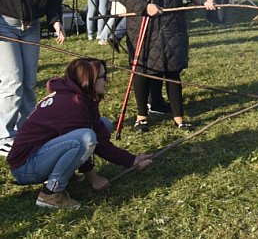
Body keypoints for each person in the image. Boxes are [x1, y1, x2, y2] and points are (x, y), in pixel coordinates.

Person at [7, 58, 152, 209]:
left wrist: (131, 160)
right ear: (88, 80)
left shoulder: (79, 96)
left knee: (103, 125)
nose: (107, 80)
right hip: (26, 167)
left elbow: (100, 141)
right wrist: (93, 178)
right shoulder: (73, 104)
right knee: (84, 138)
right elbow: (85, 143)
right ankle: (50, 194)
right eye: (103, 77)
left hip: (39, 155)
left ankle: (65, 175)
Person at [116, 0, 217, 132]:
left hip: (171, 23)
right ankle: (141, 116)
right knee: (142, 69)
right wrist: (144, 6)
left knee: (172, 70)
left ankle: (179, 117)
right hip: (142, 23)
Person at [0, 0, 65, 157]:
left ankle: (26, 129)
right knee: (12, 82)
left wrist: (56, 21)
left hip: (32, 27)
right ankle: (4, 135)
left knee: (28, 82)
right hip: (4, 25)